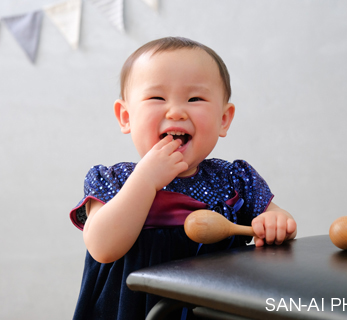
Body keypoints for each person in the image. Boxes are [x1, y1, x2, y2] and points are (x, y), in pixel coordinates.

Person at [69, 36, 297, 319]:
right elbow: (102, 247)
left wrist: (276, 222)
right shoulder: (113, 180)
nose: (176, 111)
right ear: (125, 116)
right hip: (135, 308)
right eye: (157, 97)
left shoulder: (235, 179)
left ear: (223, 119)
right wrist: (146, 181)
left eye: (195, 98)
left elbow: (279, 221)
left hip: (216, 308)